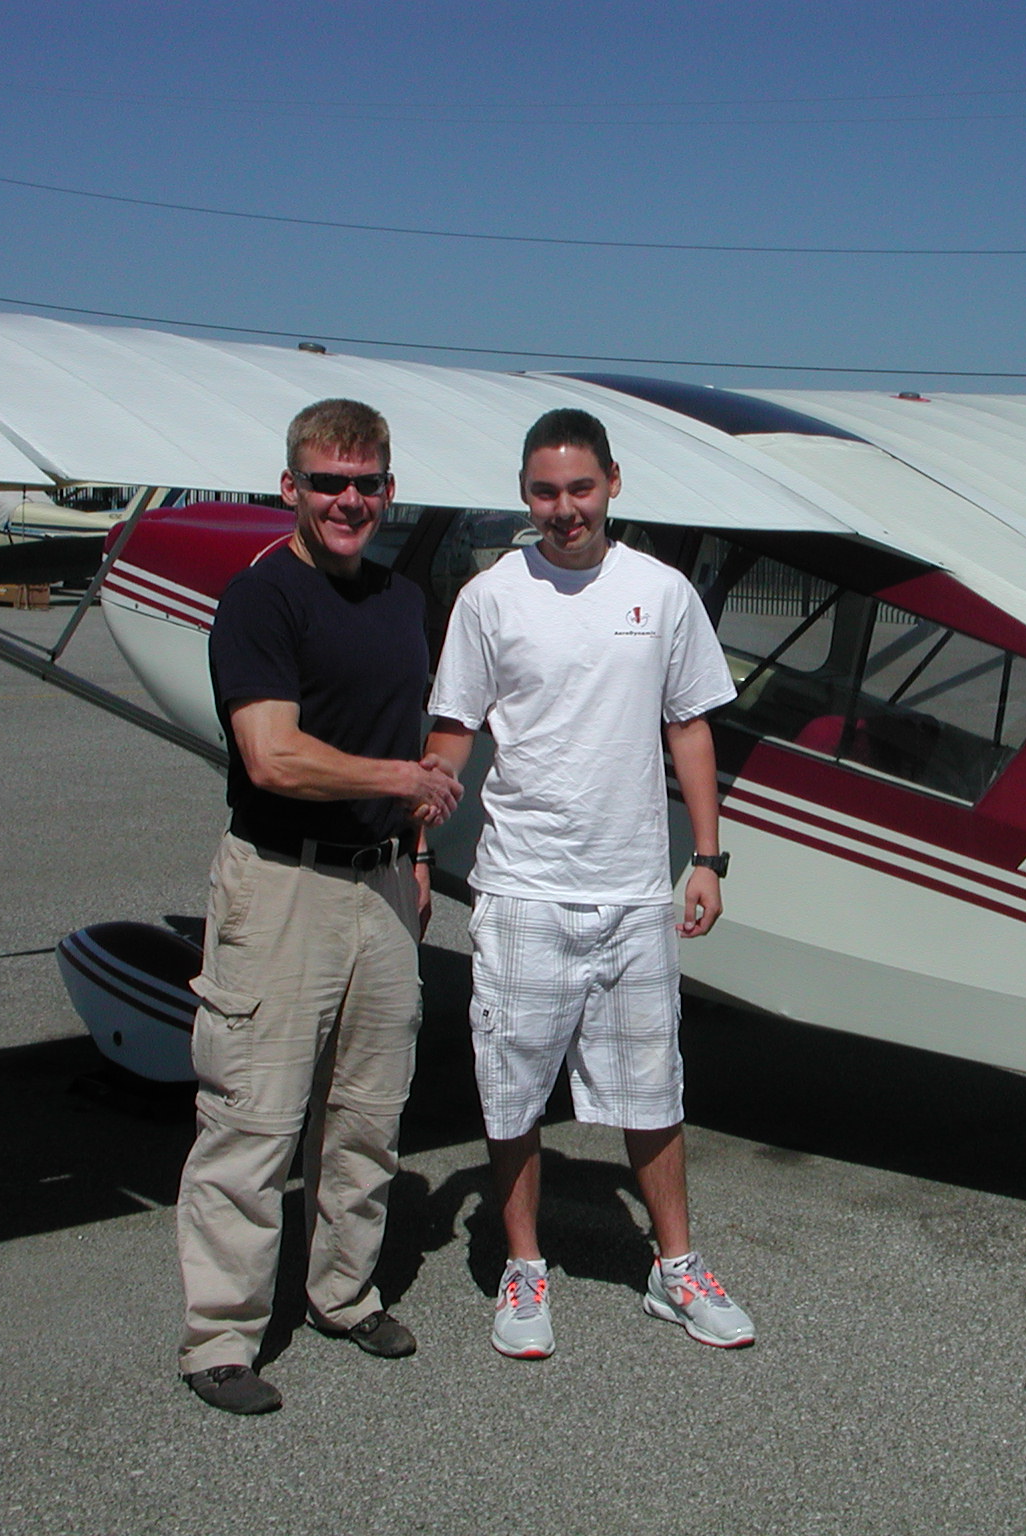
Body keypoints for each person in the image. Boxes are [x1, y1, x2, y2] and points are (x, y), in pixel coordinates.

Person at [426, 407, 754, 1359]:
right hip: (525, 889)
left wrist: (707, 855)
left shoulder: (662, 592)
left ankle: (676, 1267)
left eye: (580, 489)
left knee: (654, 1089)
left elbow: (689, 725)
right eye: (543, 492)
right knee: (513, 1091)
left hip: (635, 893)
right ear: (524, 495)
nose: (563, 510)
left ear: (614, 482)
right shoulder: (490, 599)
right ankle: (523, 1267)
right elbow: (454, 729)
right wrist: (410, 824)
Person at [175, 397, 461, 1414]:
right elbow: (271, 754)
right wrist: (399, 783)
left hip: (384, 879)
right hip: (283, 881)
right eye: (329, 482)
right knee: (253, 1115)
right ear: (289, 488)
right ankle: (220, 1334)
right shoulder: (262, 600)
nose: (350, 500)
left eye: (368, 482)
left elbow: (416, 743)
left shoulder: (399, 601)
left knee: (370, 1112)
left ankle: (343, 1291)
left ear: (387, 490)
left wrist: (418, 849)